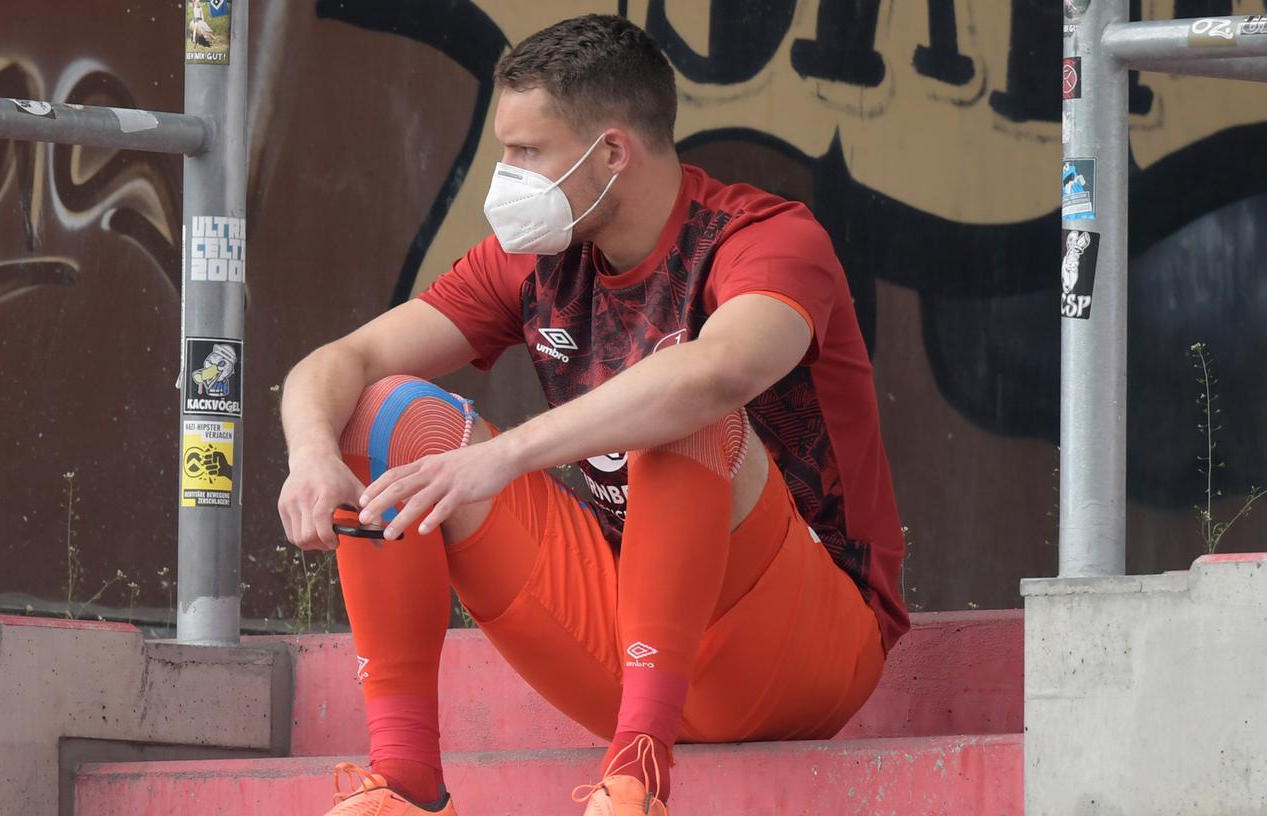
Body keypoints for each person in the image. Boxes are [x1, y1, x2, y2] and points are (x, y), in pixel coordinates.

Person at [278, 14, 908, 816]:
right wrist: (310, 453)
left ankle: (636, 783)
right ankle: (403, 783)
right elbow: (340, 361)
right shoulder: (535, 260)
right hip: (631, 637)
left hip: (804, 648)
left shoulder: (767, 238)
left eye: (525, 152)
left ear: (610, 152)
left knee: (679, 400)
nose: (503, 176)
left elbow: (719, 373)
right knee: (384, 413)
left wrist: (507, 456)